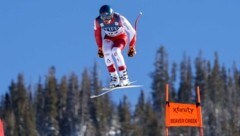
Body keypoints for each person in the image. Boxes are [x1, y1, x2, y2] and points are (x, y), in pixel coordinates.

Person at [94, 5, 137, 88]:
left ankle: (124, 77)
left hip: (121, 37)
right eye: (103, 17)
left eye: (108, 16)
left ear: (112, 14)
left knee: (115, 51)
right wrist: (99, 47)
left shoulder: (119, 18)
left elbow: (132, 31)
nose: (106, 20)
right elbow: (97, 35)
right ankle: (114, 78)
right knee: (106, 52)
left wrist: (131, 46)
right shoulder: (97, 21)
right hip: (109, 38)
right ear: (100, 16)